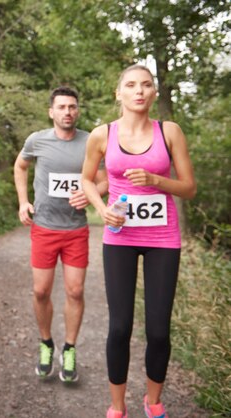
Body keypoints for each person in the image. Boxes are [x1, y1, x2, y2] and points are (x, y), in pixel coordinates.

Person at [81, 64, 196, 418]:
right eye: (131, 85)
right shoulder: (102, 134)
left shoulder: (170, 131)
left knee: (159, 330)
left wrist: (155, 180)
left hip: (163, 238)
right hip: (120, 237)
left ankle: (154, 401)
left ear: (154, 92)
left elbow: (189, 188)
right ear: (119, 93)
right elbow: (87, 180)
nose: (139, 91)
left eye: (146, 85)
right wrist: (101, 208)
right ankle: (117, 407)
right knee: (119, 326)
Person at [13, 87, 107, 382]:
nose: (68, 111)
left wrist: (91, 195)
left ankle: (69, 348)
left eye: (73, 107)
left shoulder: (90, 141)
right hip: (44, 227)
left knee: (75, 291)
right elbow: (20, 165)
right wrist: (23, 201)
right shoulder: (37, 140)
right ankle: (45, 343)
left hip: (76, 229)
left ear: (78, 111)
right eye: (62, 107)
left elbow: (104, 181)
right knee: (41, 290)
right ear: (51, 112)